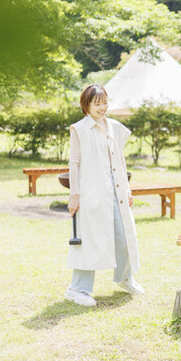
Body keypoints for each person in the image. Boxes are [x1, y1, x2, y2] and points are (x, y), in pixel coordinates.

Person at [64, 83, 143, 307]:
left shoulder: (114, 127)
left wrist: (127, 189)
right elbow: (74, 163)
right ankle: (77, 289)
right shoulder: (79, 129)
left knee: (123, 235)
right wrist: (75, 195)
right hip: (91, 193)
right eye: (97, 103)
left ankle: (125, 278)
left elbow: (120, 160)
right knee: (89, 240)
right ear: (86, 105)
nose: (102, 107)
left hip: (116, 191)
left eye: (105, 103)